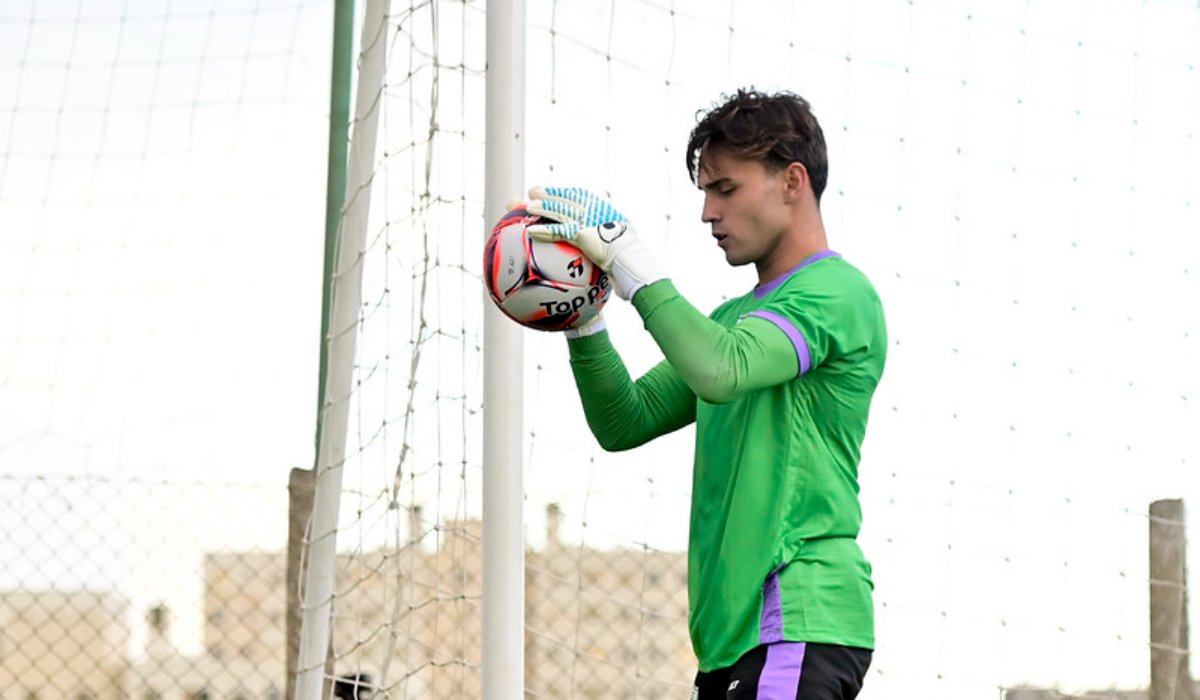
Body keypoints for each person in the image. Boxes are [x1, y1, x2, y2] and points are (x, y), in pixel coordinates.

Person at [522, 88, 886, 699]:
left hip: (797, 616)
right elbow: (623, 420)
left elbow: (723, 369)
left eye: (726, 189)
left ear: (792, 181)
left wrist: (632, 264)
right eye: (705, 193)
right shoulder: (732, 319)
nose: (707, 213)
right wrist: (584, 316)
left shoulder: (837, 291)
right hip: (728, 642)